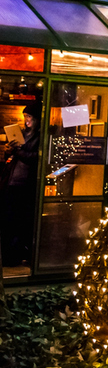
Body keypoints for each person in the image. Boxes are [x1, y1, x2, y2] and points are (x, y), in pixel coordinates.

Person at [1, 101, 42, 267]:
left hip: (26, 185)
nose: (27, 120)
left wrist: (17, 151)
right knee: (8, 220)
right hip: (12, 182)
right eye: (25, 116)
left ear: (37, 118)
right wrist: (9, 152)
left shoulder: (39, 136)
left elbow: (35, 158)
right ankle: (10, 255)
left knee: (21, 222)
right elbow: (12, 159)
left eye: (30, 116)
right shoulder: (23, 134)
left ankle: (18, 255)